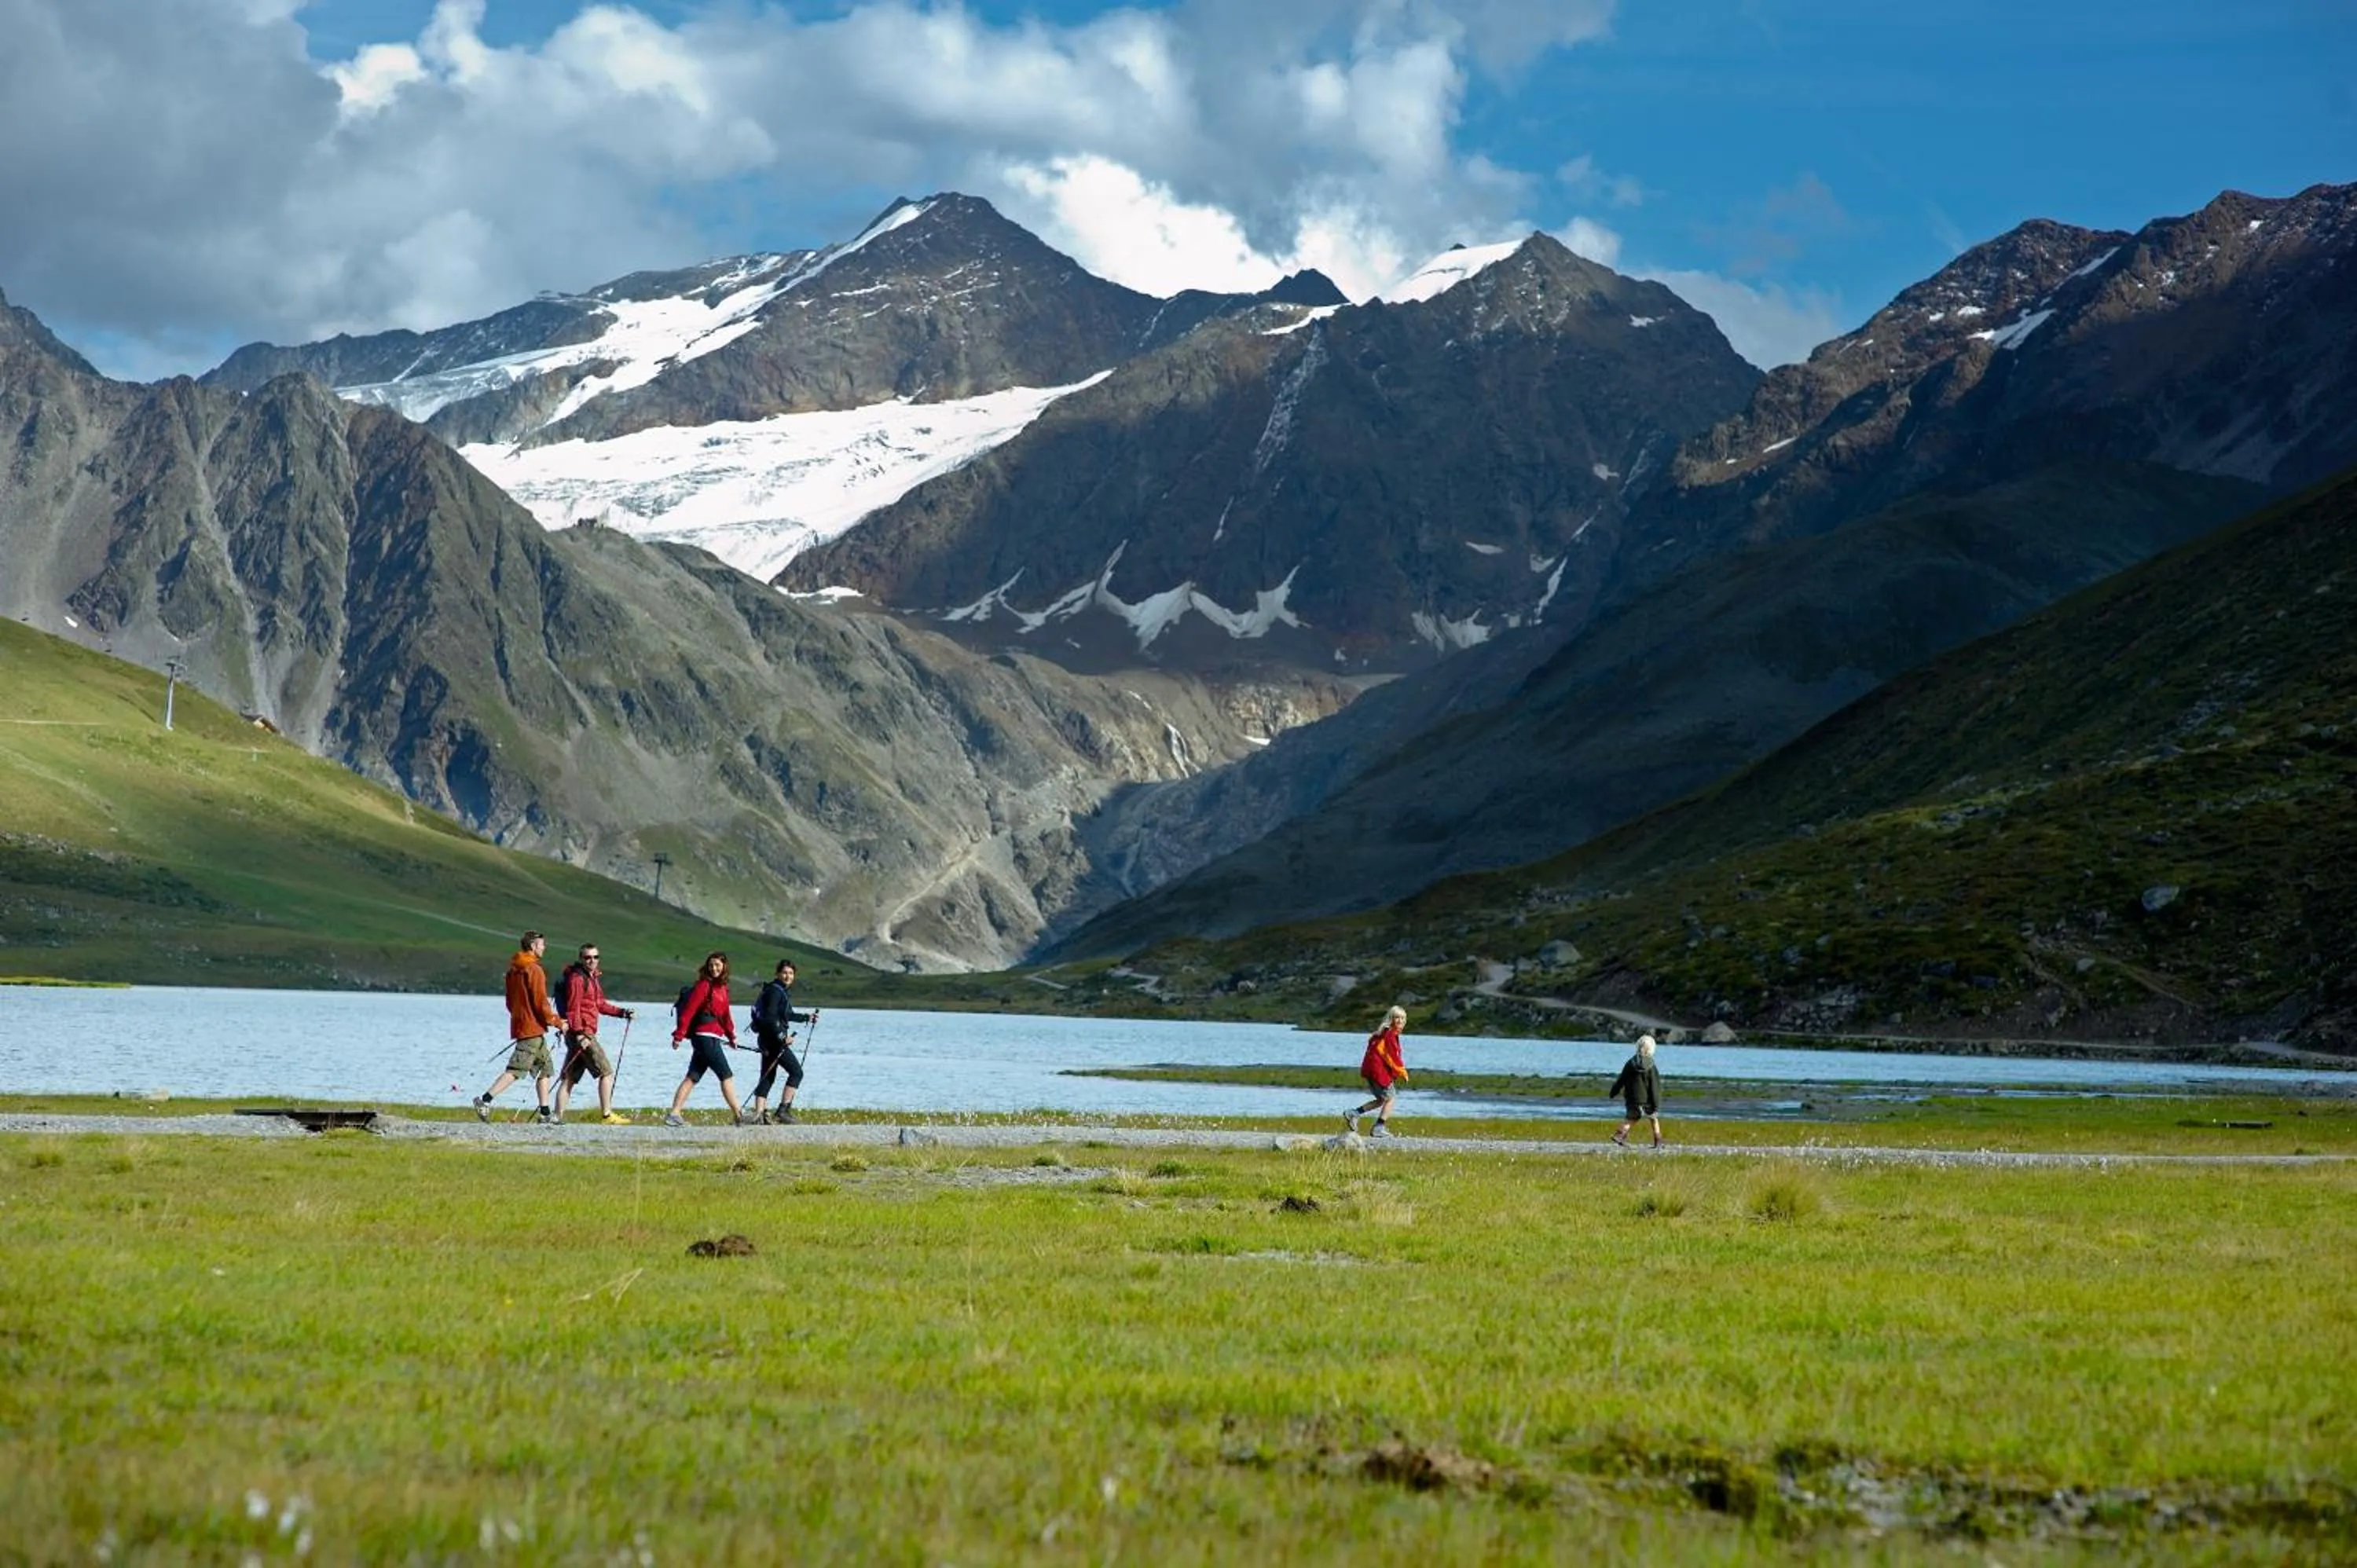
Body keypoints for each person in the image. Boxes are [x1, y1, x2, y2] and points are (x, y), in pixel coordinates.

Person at [475, 932, 565, 1126]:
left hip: (526, 1025)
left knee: (545, 1069)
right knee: (517, 1069)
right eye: (542, 945)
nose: (544, 948)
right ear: (533, 946)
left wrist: (523, 1017)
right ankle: (485, 1100)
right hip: (531, 1029)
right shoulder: (534, 970)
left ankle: (545, 1113)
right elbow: (541, 1003)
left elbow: (509, 1002)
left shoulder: (513, 970)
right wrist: (557, 1022)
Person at [552, 943, 636, 1125]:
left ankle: (556, 1117)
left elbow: (600, 1004)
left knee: (570, 1078)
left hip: (580, 1034)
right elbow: (573, 1009)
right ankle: (607, 1115)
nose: (592, 961)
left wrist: (622, 1012)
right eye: (588, 957)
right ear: (581, 959)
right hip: (583, 1035)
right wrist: (581, 1034)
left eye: (595, 957)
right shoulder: (577, 979)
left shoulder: (592, 978)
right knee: (606, 1072)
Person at [665, 951, 746, 1127]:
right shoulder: (703, 986)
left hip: (712, 1038)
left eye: (717, 965)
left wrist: (732, 1036)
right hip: (704, 1038)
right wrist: (679, 1035)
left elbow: (725, 1015)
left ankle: (674, 1114)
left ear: (724, 966)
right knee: (726, 1075)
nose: (714, 968)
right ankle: (739, 1116)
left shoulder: (723, 988)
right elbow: (689, 1012)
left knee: (693, 1076)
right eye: (711, 965)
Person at [746, 959, 819, 1125]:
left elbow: (787, 1015)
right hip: (774, 1041)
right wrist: (782, 1037)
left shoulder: (778, 990)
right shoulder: (776, 992)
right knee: (796, 1072)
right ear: (778, 974)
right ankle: (783, 1111)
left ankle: (759, 1114)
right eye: (785, 973)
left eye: (791, 973)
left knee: (768, 1076)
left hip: (766, 1040)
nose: (788, 976)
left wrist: (806, 1018)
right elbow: (771, 1018)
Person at [1344, 1006, 1410, 1138]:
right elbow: (1391, 1056)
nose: (1400, 1021)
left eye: (1402, 1018)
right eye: (1397, 1017)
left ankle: (1354, 1113)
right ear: (1391, 1019)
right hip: (1378, 1072)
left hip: (1372, 1071)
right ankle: (1379, 1127)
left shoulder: (1382, 1033)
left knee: (1381, 1100)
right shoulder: (1389, 1035)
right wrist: (1402, 1071)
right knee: (1391, 1098)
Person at [1609, 1035, 1663, 1148]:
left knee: (1631, 1117)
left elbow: (1621, 1079)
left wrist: (1614, 1091)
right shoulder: (1651, 1066)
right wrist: (1656, 1103)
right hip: (1647, 1099)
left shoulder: (1630, 1063)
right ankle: (1658, 1141)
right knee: (1653, 1118)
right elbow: (1655, 1086)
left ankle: (1620, 1135)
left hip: (1631, 1097)